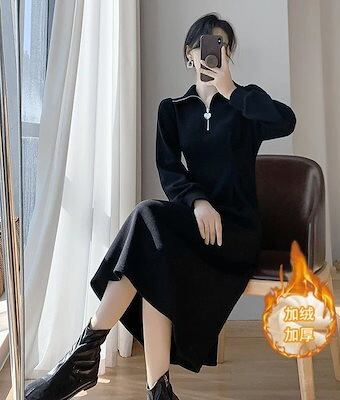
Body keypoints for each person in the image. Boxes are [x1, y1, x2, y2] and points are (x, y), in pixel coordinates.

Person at [25, 12, 296, 400]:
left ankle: (82, 359)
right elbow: (169, 169)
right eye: (205, 44)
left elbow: (286, 121)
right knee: (153, 250)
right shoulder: (174, 109)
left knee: (148, 221)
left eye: (221, 44)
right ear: (189, 53)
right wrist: (198, 201)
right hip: (196, 223)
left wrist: (232, 90)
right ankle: (157, 390)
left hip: (236, 231)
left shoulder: (245, 104)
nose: (213, 51)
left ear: (229, 53)